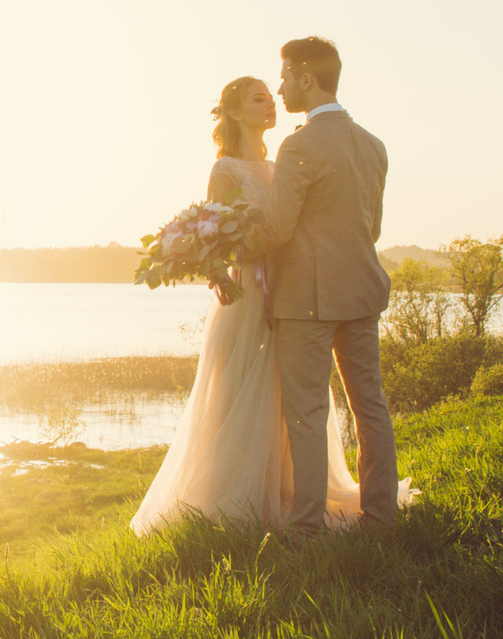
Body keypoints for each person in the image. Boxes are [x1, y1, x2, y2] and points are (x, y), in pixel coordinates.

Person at [126, 72, 368, 534]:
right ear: (235, 112)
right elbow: (216, 234)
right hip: (249, 291)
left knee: (288, 390)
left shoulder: (283, 162)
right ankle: (238, 494)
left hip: (293, 285)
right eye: (259, 99)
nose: (270, 104)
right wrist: (218, 275)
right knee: (243, 391)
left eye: (269, 98)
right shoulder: (227, 170)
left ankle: (288, 487)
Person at [250, 35, 401, 529]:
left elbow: (275, 229)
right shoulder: (374, 145)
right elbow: (372, 227)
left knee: (308, 414)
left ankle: (307, 527)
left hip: (307, 302)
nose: (281, 86)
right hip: (362, 291)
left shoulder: (300, 145)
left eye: (286, 76)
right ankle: (380, 514)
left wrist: (221, 246)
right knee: (370, 405)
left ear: (307, 79)